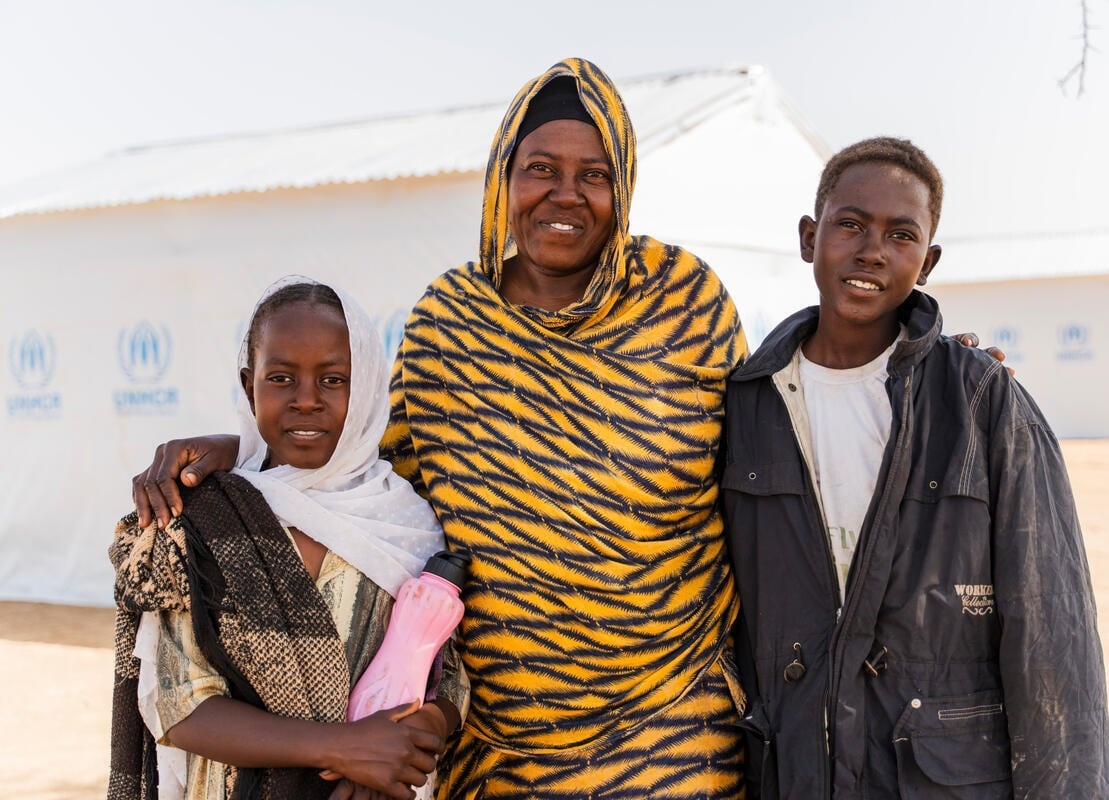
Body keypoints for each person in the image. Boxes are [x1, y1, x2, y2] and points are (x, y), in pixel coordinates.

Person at [129, 63, 1005, 799]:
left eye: (594, 174)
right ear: (502, 177)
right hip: (493, 755)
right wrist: (245, 447)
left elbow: (782, 428)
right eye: (541, 167)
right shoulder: (448, 323)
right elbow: (364, 476)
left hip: (674, 740)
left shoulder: (684, 303)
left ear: (622, 184)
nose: (566, 194)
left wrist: (919, 357)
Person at [720, 137, 1109, 798]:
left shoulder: (983, 402)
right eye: (850, 225)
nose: (871, 250)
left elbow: (1053, 641)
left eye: (900, 235)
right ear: (809, 237)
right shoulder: (744, 408)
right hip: (789, 774)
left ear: (926, 262)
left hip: (941, 781)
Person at [108, 277, 468, 800]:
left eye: (333, 379)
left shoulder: (408, 522)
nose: (306, 401)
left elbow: (448, 677)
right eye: (281, 378)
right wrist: (344, 749)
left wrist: (413, 738)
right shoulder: (207, 517)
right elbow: (178, 703)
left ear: (365, 385)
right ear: (248, 383)